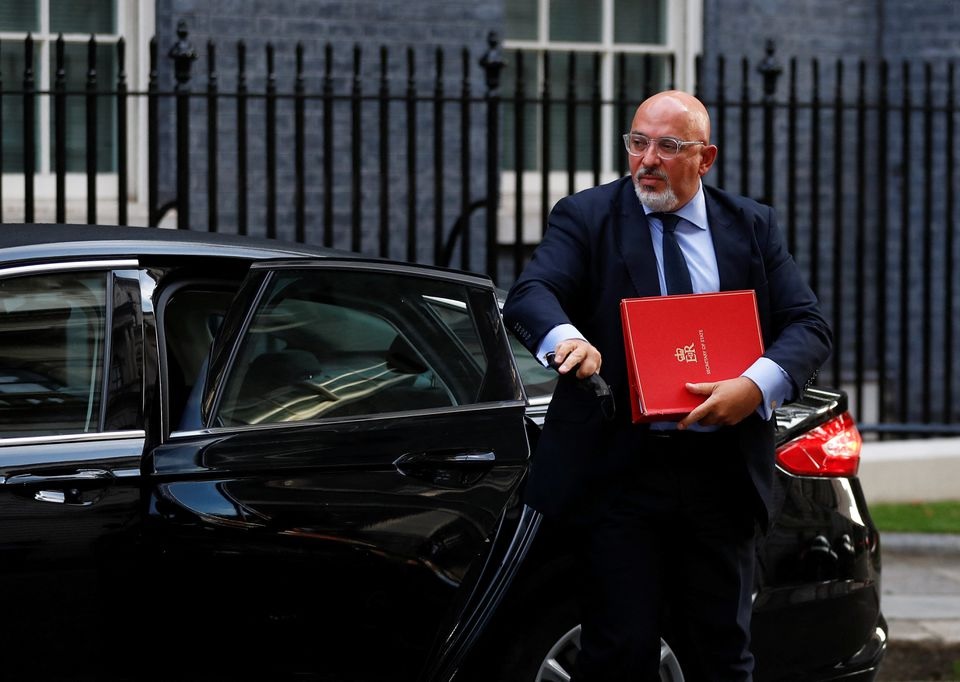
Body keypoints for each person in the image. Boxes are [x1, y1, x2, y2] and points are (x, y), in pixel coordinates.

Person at [501, 90, 832, 681]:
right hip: (619, 473)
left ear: (704, 159)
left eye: (667, 146)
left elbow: (807, 325)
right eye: (637, 142)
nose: (646, 160)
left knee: (722, 655)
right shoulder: (585, 216)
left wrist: (754, 388)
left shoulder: (751, 225)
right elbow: (532, 292)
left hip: (721, 476)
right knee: (616, 653)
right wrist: (565, 339)